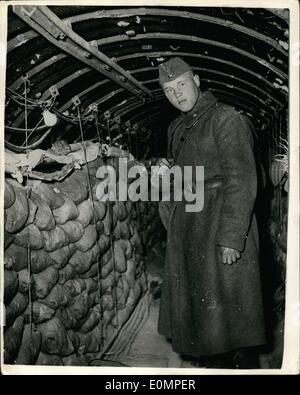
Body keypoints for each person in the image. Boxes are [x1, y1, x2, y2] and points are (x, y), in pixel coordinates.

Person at [157, 57, 266, 368]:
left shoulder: (225, 118)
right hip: (193, 230)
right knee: (206, 321)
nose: (177, 94)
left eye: (181, 85)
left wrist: (232, 237)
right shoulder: (178, 126)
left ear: (198, 80)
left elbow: (242, 179)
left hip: (219, 229)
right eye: (168, 90)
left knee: (231, 323)